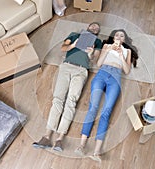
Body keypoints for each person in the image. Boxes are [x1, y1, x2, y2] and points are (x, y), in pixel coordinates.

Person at [32, 22, 103, 152]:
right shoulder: (75, 35)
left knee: (71, 101)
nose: (94, 28)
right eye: (92, 26)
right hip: (66, 66)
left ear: (98, 32)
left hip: (81, 71)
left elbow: (95, 60)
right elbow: (63, 48)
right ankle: (47, 136)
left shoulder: (98, 42)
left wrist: (90, 53)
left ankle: (60, 138)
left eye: (97, 28)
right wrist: (74, 45)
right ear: (87, 27)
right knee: (58, 99)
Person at [74, 29, 139, 162]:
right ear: (113, 37)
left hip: (115, 77)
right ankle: (81, 145)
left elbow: (126, 71)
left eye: (122, 35)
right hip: (102, 74)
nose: (119, 37)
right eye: (117, 35)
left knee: (106, 112)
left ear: (124, 40)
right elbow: (98, 64)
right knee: (93, 108)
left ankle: (97, 152)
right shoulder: (106, 46)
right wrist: (109, 50)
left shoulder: (127, 51)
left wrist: (121, 55)